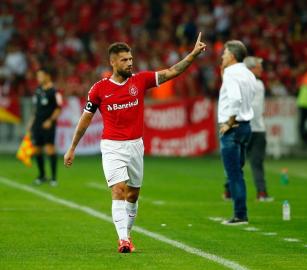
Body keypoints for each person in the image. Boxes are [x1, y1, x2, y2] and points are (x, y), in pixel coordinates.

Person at [63, 33, 206, 253]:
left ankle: (127, 234)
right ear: (113, 62)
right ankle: (123, 240)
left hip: (135, 145)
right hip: (112, 146)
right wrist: (72, 147)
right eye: (124, 60)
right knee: (119, 190)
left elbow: (172, 72)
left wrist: (193, 54)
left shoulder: (140, 80)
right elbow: (85, 119)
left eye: (131, 59)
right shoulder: (99, 89)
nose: (130, 63)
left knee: (133, 194)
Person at [218, 40, 256, 225]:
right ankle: (241, 212)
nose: (222, 56)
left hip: (233, 127)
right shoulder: (249, 73)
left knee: (233, 174)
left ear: (232, 56)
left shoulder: (231, 73)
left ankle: (240, 214)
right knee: (237, 172)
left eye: (224, 53)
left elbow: (235, 99)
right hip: (246, 126)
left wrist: (229, 122)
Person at [243, 56, 273, 202]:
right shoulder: (258, 84)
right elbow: (256, 108)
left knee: (236, 162)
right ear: (250, 69)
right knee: (256, 163)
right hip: (257, 129)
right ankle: (261, 192)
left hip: (242, 127)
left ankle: (228, 191)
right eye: (258, 66)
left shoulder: (238, 83)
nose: (261, 69)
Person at [28, 66, 62, 186]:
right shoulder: (38, 90)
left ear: (47, 76)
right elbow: (35, 109)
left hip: (48, 125)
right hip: (37, 123)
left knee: (49, 149)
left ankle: (53, 178)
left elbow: (58, 109)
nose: (39, 78)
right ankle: (42, 176)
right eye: (38, 76)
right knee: (37, 149)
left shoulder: (55, 91)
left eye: (41, 76)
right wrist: (31, 122)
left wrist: (50, 121)